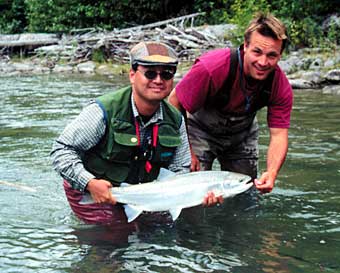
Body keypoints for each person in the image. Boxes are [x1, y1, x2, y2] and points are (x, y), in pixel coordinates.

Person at [51, 41, 192, 224]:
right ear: (132, 75)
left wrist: (195, 193)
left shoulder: (176, 119)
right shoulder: (103, 111)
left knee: (162, 230)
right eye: (150, 73)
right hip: (91, 188)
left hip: (140, 190)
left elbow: (180, 169)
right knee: (114, 238)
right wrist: (89, 183)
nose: (158, 80)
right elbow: (61, 150)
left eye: (166, 74)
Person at [168, 12, 293, 194]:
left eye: (272, 55)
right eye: (257, 52)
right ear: (245, 46)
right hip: (198, 130)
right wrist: (187, 152)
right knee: (191, 195)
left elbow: (279, 135)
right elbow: (173, 103)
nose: (263, 62)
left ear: (280, 55)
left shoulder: (280, 85)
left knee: (245, 193)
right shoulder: (212, 67)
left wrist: (272, 172)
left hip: (241, 134)